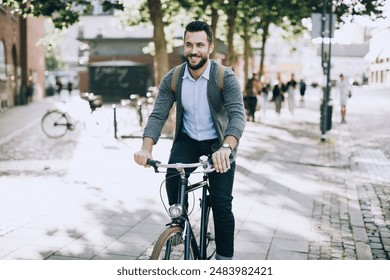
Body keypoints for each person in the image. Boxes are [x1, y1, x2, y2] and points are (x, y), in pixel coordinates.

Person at [133, 20, 246, 260]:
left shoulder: (225, 77)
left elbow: (237, 117)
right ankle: (178, 225)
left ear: (210, 47)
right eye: (189, 44)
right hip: (188, 140)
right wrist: (146, 148)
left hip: (218, 144)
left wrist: (226, 148)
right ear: (184, 46)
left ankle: (224, 262)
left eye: (199, 45)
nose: (193, 51)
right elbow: (157, 115)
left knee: (222, 205)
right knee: (172, 175)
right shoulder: (173, 79)